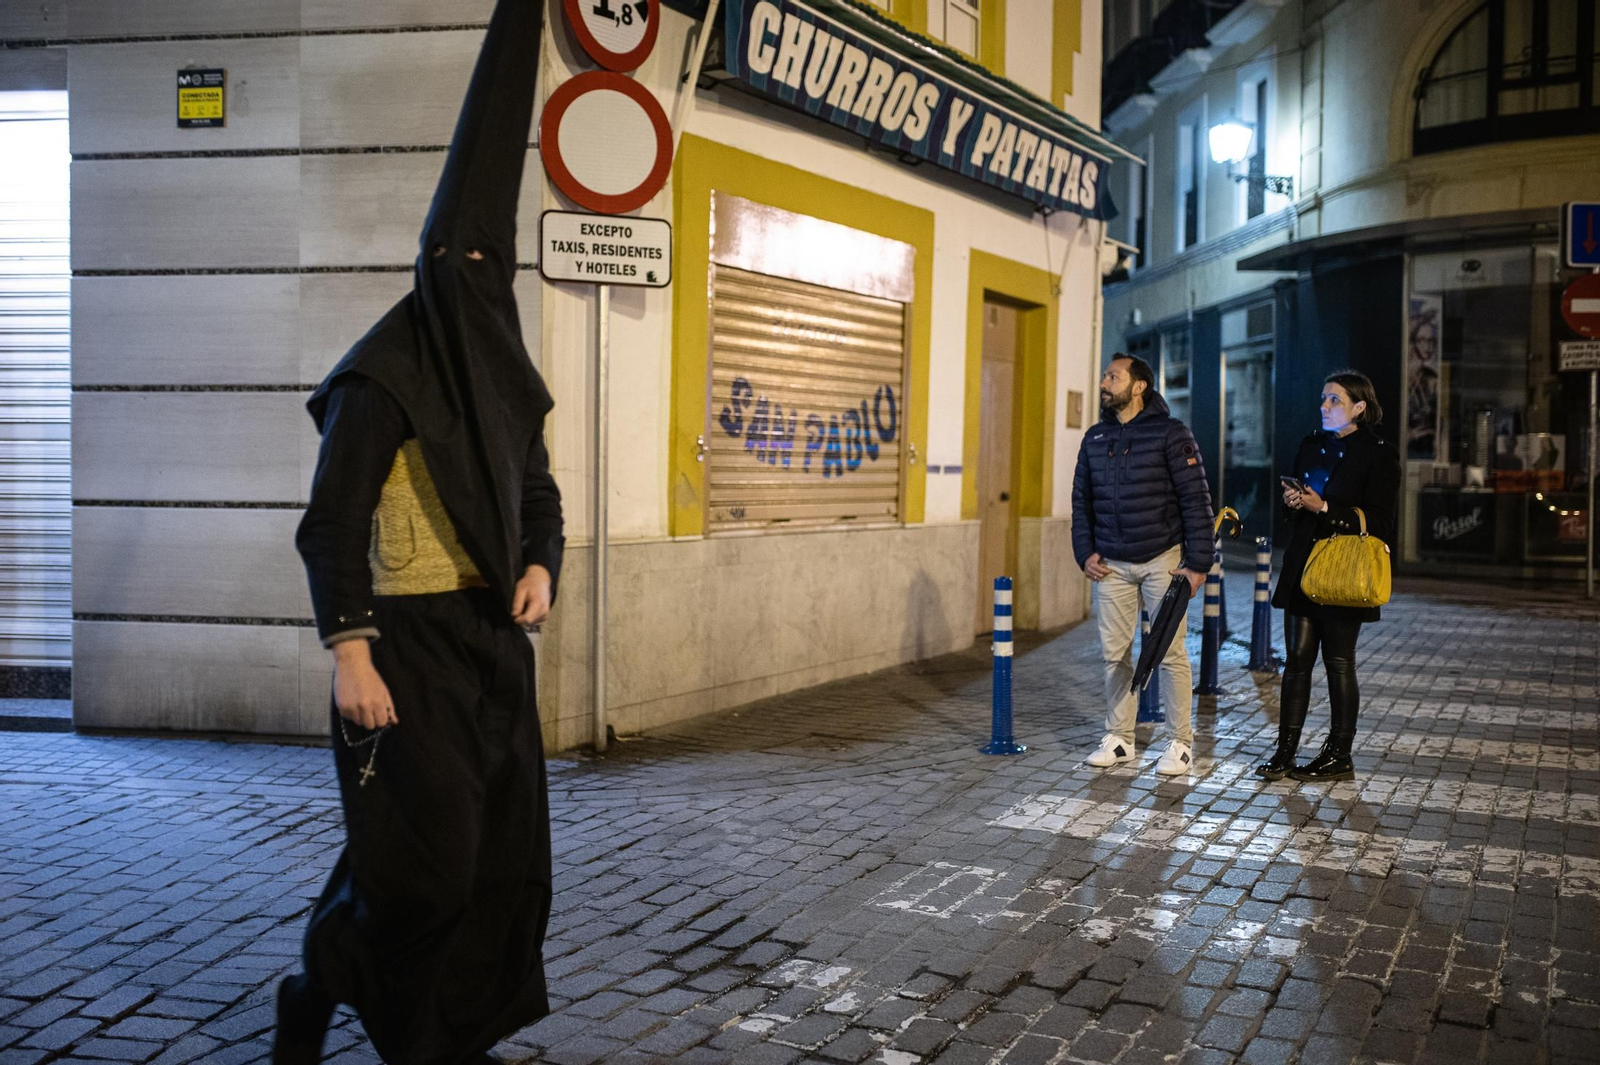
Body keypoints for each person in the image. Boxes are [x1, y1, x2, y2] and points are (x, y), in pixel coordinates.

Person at [274, 1, 564, 1062]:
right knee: (423, 863)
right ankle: (328, 984)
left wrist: (541, 562)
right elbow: (330, 522)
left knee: (496, 860)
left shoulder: (498, 374)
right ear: (438, 263)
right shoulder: (379, 378)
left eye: (498, 268)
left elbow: (539, 492)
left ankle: (450, 1034)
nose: (483, 286)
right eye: (467, 265)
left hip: (491, 645)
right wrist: (349, 652)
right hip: (398, 648)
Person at [1072, 354, 1215, 777]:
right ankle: (1120, 738)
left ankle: (1179, 743)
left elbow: (1196, 499)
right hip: (1111, 564)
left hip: (1163, 560)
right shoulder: (1095, 438)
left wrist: (1198, 563)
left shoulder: (1172, 434)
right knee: (1114, 653)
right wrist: (1085, 552)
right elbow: (1082, 501)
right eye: (1104, 375)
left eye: (1112, 376)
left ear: (1138, 386)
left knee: (1169, 652)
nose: (1103, 382)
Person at [1257, 371, 1400, 784]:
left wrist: (1324, 510)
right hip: (1303, 566)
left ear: (1359, 407)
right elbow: (1298, 508)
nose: (1324, 406)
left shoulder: (1378, 453)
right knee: (1296, 663)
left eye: (1334, 400)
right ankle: (1285, 751)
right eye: (1323, 399)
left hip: (1344, 573)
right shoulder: (1310, 445)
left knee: (1339, 663)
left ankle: (1339, 754)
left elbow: (1381, 521)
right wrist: (1293, 502)